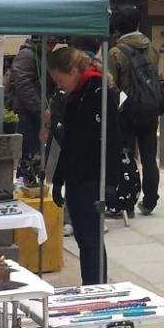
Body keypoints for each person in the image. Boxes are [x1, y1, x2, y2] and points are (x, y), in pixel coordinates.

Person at [48, 45, 113, 284]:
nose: (58, 85)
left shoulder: (97, 91)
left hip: (92, 176)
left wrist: (110, 182)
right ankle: (91, 287)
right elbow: (67, 141)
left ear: (73, 70)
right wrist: (57, 179)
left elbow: (113, 138)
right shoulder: (76, 93)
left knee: (91, 239)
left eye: (59, 79)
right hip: (77, 175)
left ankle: (96, 288)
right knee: (84, 239)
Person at [107, 11, 164, 216]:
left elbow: (111, 84)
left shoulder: (115, 52)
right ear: (138, 23)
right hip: (150, 109)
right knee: (149, 157)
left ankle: (127, 202)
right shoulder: (152, 48)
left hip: (127, 111)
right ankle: (150, 200)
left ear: (116, 29)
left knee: (125, 156)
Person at [5, 36, 46, 183]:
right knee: (28, 155)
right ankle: (27, 183)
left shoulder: (38, 55)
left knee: (35, 154)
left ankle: (32, 182)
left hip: (33, 112)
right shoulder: (28, 55)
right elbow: (22, 84)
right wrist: (40, 108)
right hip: (25, 113)